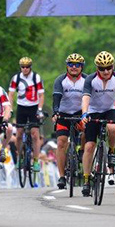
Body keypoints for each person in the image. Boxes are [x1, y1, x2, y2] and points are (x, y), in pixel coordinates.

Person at [80, 51, 115, 197]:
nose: (106, 71)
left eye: (108, 67)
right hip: (93, 111)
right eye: (102, 68)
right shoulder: (90, 79)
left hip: (110, 109)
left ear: (112, 66)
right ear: (97, 68)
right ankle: (87, 179)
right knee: (89, 146)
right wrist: (84, 113)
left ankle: (112, 152)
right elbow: (85, 98)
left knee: (113, 127)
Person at [51, 53, 86, 189]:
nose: (74, 67)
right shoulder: (60, 80)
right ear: (67, 66)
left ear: (82, 67)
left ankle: (83, 151)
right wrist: (55, 112)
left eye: (77, 65)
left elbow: (91, 98)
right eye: (71, 64)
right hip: (63, 115)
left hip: (80, 114)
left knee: (86, 133)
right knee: (61, 143)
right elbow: (56, 97)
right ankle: (62, 176)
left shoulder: (86, 80)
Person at [9, 57, 45, 171]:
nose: (25, 69)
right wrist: (10, 108)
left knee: (35, 134)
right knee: (19, 134)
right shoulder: (16, 78)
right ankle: (19, 157)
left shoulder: (36, 77)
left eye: (27, 67)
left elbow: (41, 95)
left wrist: (39, 109)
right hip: (21, 107)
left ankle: (35, 161)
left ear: (30, 67)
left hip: (33, 107)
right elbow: (11, 94)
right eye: (23, 67)